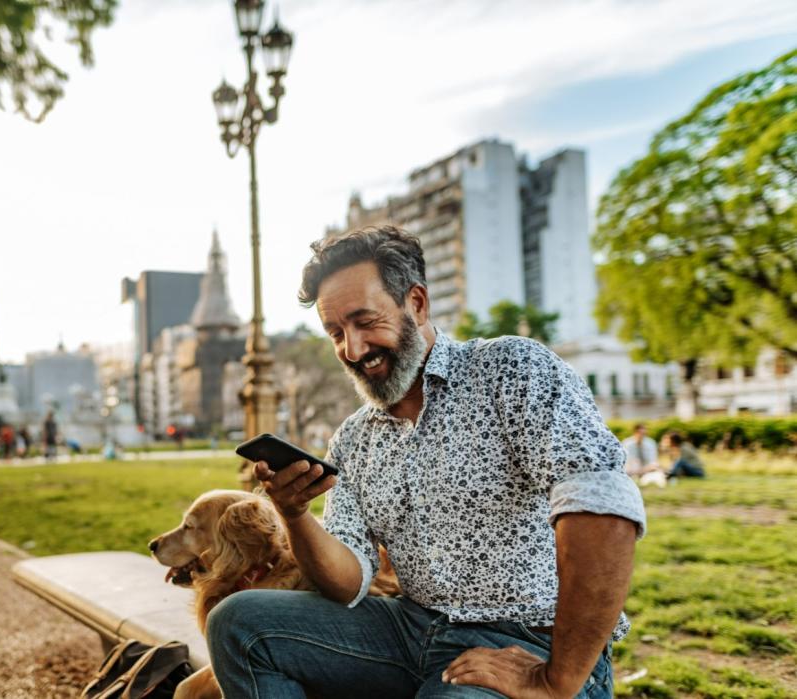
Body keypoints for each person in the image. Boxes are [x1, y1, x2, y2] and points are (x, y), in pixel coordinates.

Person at [208, 226, 646, 699]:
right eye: (336, 332)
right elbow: (348, 583)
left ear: (416, 304)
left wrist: (557, 679)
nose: (352, 350)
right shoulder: (354, 438)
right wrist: (295, 515)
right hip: (408, 630)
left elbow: (603, 507)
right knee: (238, 623)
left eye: (365, 321)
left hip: (525, 640)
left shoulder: (511, 370)